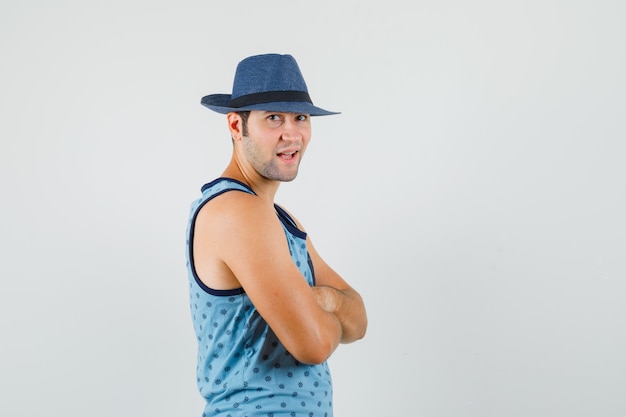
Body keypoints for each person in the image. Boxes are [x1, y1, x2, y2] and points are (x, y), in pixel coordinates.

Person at [185, 53, 367, 417]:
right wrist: (321, 313)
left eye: (300, 117)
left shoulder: (279, 219)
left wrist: (327, 301)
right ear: (236, 126)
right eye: (273, 118)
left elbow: (359, 320)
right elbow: (313, 346)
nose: (292, 133)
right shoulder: (237, 211)